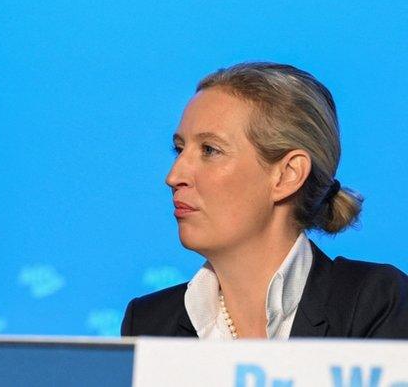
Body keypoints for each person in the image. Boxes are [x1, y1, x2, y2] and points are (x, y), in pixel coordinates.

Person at [122, 62, 408, 339]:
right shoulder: (149, 321)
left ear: (287, 175)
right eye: (179, 149)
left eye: (209, 150)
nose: (174, 176)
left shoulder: (372, 301)